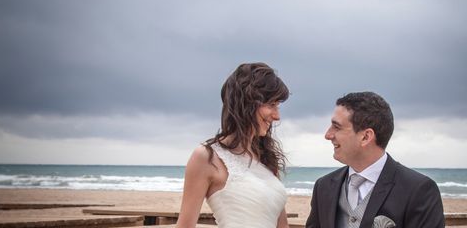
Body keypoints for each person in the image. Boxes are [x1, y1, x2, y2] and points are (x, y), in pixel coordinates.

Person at [176, 62, 290, 228]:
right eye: (272, 105)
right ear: (248, 102)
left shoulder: (266, 158)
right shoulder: (206, 157)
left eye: (278, 106)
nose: (277, 116)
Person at [306, 92, 444, 228]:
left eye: (336, 127)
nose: (328, 135)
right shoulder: (323, 187)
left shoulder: (419, 191)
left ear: (366, 137)